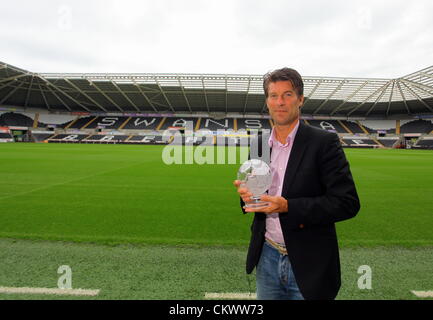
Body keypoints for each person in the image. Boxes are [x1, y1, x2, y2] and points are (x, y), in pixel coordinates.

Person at [234, 67, 360, 300]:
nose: (280, 102)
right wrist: (246, 196)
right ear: (267, 101)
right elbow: (256, 193)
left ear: (300, 100)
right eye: (274, 95)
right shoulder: (259, 143)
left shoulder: (324, 142)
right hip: (267, 257)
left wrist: (288, 207)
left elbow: (347, 203)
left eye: (288, 94)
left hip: (309, 261)